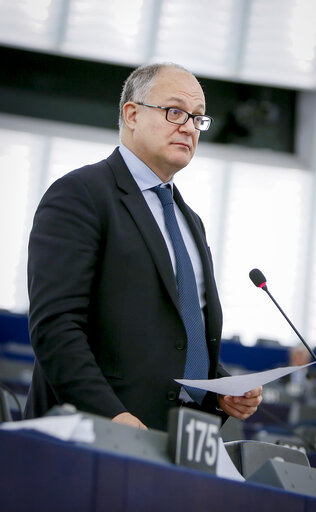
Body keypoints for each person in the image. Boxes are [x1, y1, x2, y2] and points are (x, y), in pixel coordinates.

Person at [24, 63, 262, 431]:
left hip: (174, 438)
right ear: (132, 114)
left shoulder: (190, 222)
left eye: (197, 118)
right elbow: (56, 327)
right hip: (92, 432)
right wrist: (112, 416)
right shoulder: (80, 194)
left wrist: (220, 389)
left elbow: (173, 338)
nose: (188, 127)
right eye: (175, 111)